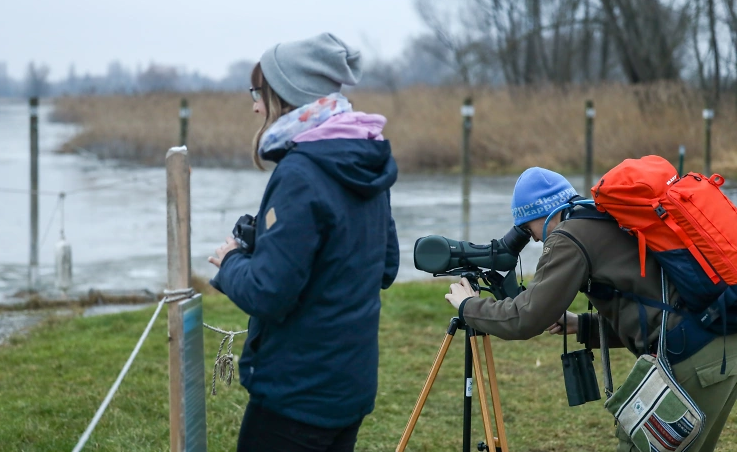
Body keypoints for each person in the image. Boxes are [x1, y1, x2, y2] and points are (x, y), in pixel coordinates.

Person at [445, 167, 737, 452]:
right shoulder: (606, 217)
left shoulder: (568, 236)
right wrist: (580, 325)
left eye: (527, 227)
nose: (532, 238)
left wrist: (468, 305)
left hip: (692, 358)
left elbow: (525, 318)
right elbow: (651, 308)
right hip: (721, 346)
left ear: (541, 215)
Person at [208, 32, 399, 452]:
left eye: (259, 92)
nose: (255, 105)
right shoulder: (364, 155)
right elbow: (383, 266)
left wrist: (232, 262)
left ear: (286, 96)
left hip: (296, 396)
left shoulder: (300, 172)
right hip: (349, 387)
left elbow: (268, 292)